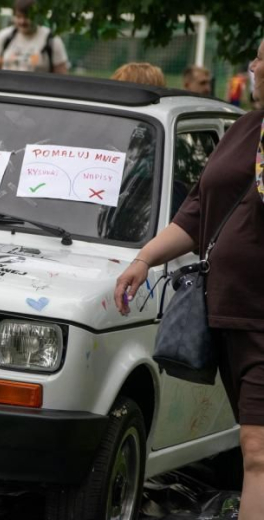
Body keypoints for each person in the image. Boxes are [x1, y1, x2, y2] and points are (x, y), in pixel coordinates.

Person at [115, 37, 264, 520]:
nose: (253, 65)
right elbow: (198, 210)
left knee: (258, 448)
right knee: (255, 444)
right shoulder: (244, 128)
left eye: (262, 57)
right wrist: (145, 259)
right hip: (229, 314)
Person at [0, 0, 68, 74]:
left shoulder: (51, 40)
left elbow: (62, 76)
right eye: (19, 17)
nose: (22, 21)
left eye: (27, 17)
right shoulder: (4, 37)